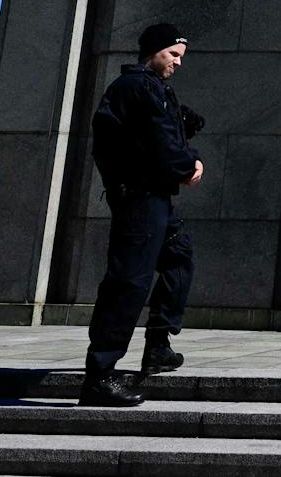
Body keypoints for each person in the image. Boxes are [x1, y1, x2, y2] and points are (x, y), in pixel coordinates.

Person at [79, 23, 204, 407]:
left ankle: (158, 345)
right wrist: (188, 164)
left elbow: (164, 129)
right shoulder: (136, 88)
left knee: (179, 257)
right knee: (128, 283)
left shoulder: (151, 88)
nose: (177, 62)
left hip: (155, 201)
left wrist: (186, 127)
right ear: (153, 51)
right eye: (173, 54)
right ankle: (100, 377)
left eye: (180, 56)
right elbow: (158, 139)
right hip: (139, 201)